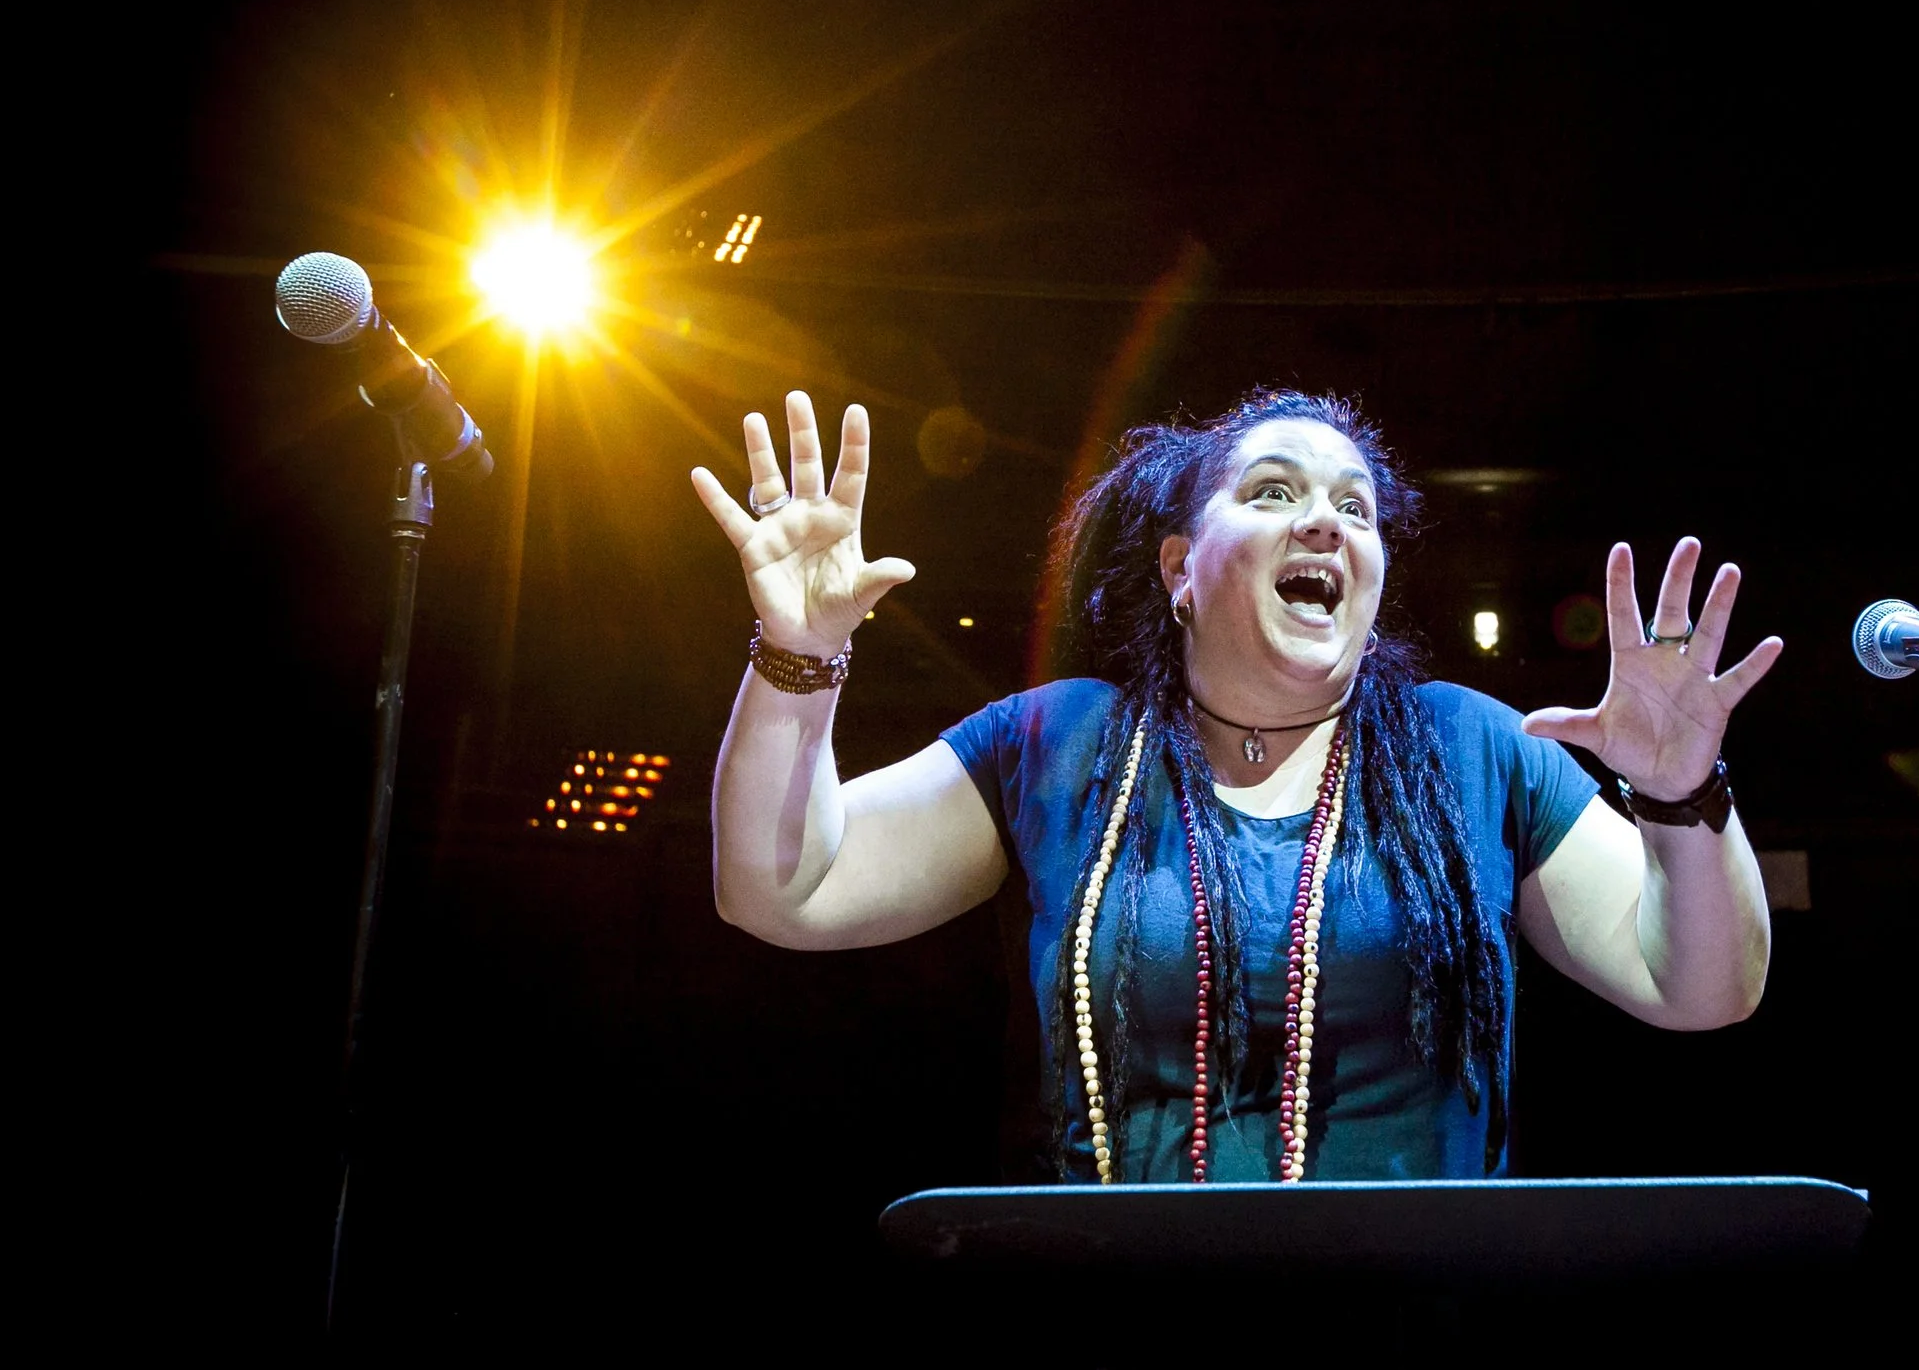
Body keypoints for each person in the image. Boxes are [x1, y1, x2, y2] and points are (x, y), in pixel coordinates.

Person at [691, 388, 1781, 1184]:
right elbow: (785, 887)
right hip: (1119, 1338)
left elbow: (1702, 988)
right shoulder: (1062, 742)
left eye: (1356, 508)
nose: (1326, 522)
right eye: (1273, 491)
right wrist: (797, 656)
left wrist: (1682, 795)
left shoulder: (1472, 748)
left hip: (1417, 1337)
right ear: (1180, 567)